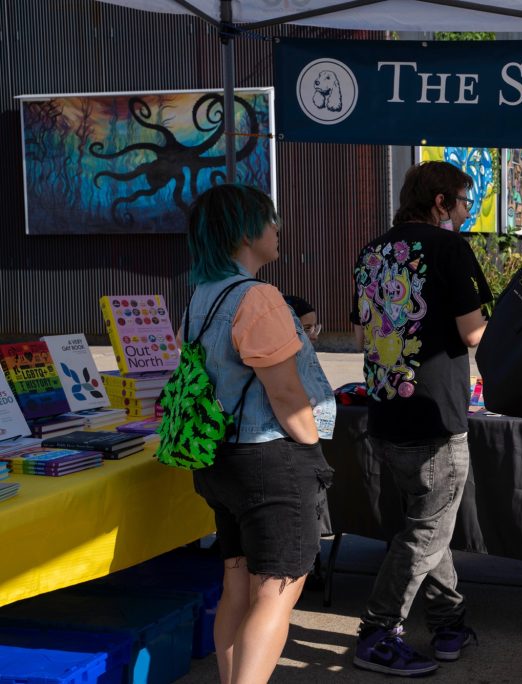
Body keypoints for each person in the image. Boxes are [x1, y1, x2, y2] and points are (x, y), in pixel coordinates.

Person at [185, 184, 336, 684]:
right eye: (271, 221)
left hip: (220, 457)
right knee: (277, 589)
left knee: (237, 582)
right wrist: (314, 450)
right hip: (270, 459)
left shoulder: (203, 294)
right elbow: (288, 395)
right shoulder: (258, 296)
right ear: (245, 231)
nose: (278, 230)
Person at [349, 161, 492, 677]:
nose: (465, 210)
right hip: (435, 414)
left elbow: (363, 336)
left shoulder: (373, 251)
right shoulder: (450, 248)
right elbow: (473, 333)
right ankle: (378, 631)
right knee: (425, 532)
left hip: (386, 408)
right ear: (440, 202)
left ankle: (449, 622)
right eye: (463, 201)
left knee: (429, 525)